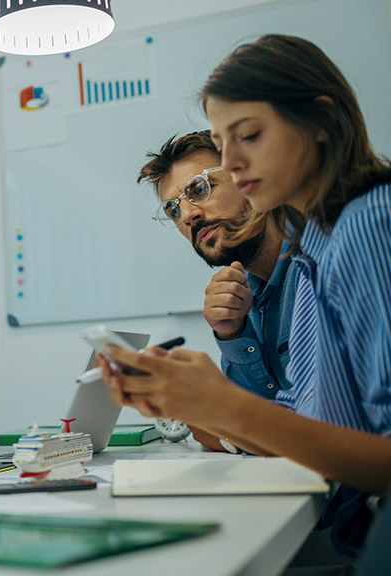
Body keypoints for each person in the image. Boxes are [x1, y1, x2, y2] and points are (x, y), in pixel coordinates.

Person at [101, 35, 391, 558]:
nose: (233, 162)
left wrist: (225, 409)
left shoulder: (367, 224)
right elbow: (307, 424)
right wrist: (203, 402)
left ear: (320, 122)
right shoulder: (314, 246)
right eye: (173, 210)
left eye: (249, 136)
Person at [139, 131, 294, 401]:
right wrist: (232, 332)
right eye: (173, 210)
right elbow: (259, 408)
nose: (188, 216)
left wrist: (223, 422)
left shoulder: (319, 263)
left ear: (247, 178)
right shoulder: (242, 293)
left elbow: (327, 418)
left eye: (199, 189)